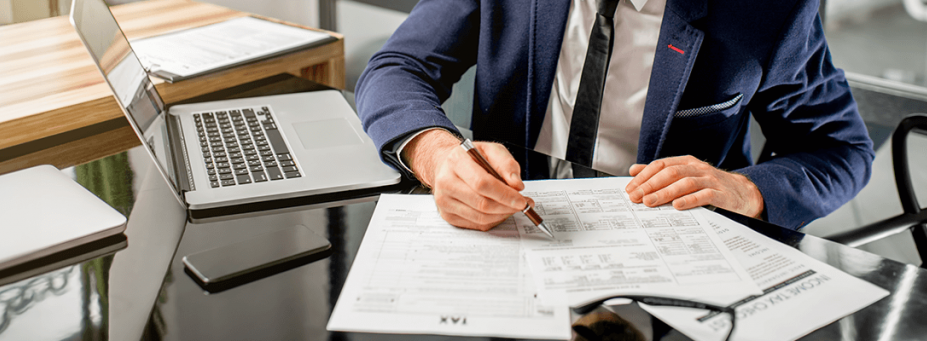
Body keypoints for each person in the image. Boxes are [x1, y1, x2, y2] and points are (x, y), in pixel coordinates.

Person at [355, 0, 874, 232]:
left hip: (673, 256)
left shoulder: (768, 10)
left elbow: (842, 149)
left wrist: (749, 191)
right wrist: (437, 153)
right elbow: (399, 66)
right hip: (507, 229)